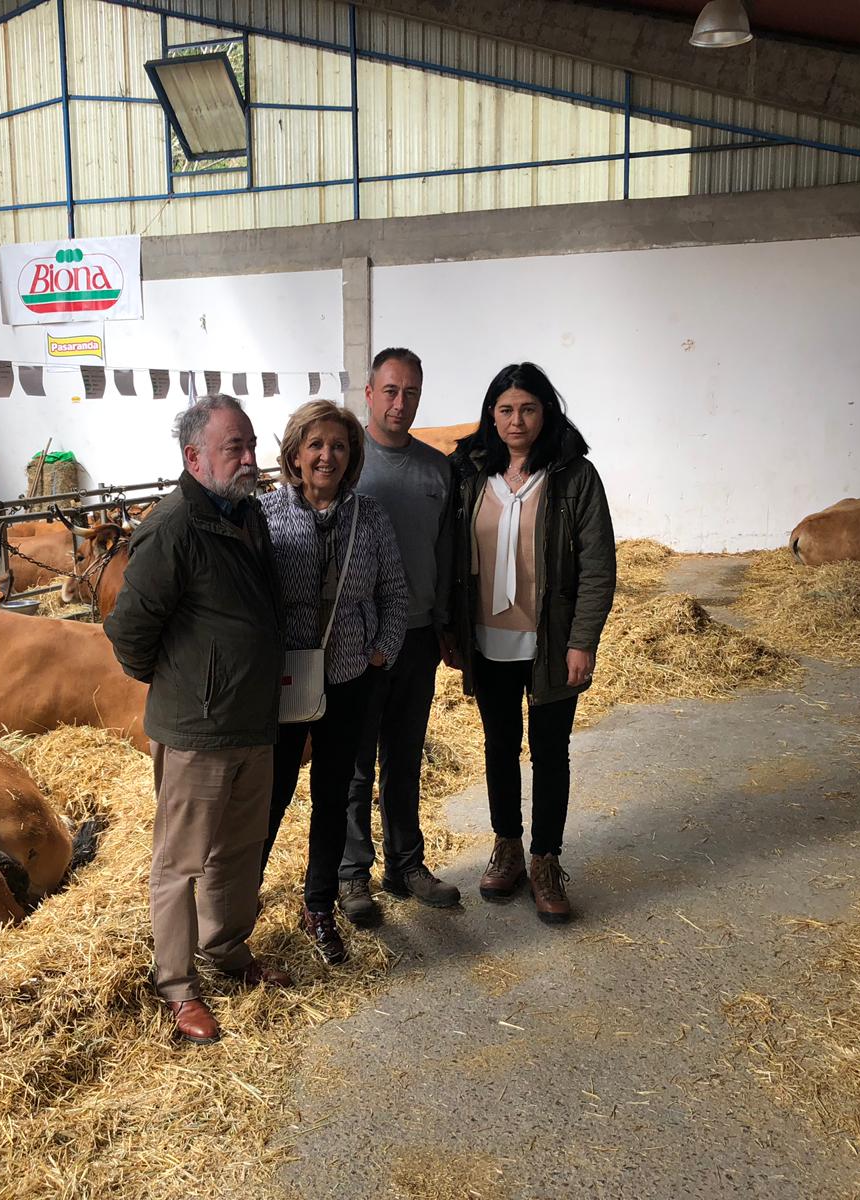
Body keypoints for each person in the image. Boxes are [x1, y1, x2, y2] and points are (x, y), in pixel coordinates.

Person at [105, 395, 290, 1046]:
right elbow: (129, 632)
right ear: (193, 457)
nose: (248, 459)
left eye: (250, 445)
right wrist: (190, 684)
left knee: (237, 853)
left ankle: (227, 949)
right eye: (233, 448)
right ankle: (178, 986)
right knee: (180, 863)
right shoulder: (174, 524)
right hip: (197, 730)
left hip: (251, 722)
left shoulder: (248, 514)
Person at [447, 362, 617, 925]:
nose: (516, 420)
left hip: (550, 643)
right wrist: (452, 632)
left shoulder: (574, 477)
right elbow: (447, 558)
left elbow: (597, 566)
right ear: (490, 415)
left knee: (550, 752)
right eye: (505, 409)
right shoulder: (470, 473)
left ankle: (546, 858)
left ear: (546, 411)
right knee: (499, 746)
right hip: (488, 640)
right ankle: (507, 846)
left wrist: (582, 640)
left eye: (527, 409)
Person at [260, 400, 407, 964]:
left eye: (339, 446)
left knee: (335, 795)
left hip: (349, 680)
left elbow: (394, 593)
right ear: (295, 453)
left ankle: (318, 904)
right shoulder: (267, 516)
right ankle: (240, 900)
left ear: (353, 456)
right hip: (283, 684)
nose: (327, 456)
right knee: (270, 794)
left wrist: (380, 651)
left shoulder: (369, 517)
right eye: (315, 445)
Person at [338, 348, 462, 925]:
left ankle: (405, 864)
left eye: (410, 392)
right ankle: (351, 873)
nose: (400, 402)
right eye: (389, 390)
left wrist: (444, 627)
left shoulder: (438, 471)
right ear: (368, 394)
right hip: (359, 641)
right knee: (356, 761)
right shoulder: (347, 464)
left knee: (406, 756)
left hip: (415, 637)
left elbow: (444, 556)